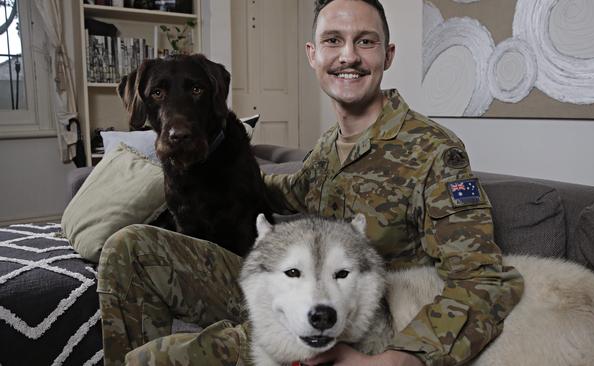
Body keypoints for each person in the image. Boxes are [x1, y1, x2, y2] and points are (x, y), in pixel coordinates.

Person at [97, 0, 524, 365]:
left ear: (388, 54)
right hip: (288, 291)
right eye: (333, 41)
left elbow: (485, 280)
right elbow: (282, 190)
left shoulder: (434, 151)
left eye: (366, 41)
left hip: (351, 321)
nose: (349, 56)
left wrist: (404, 357)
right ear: (313, 55)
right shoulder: (327, 149)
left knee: (150, 362)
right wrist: (213, 168)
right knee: (129, 246)